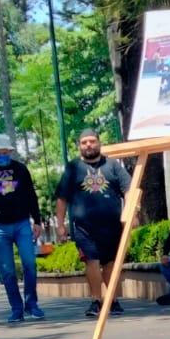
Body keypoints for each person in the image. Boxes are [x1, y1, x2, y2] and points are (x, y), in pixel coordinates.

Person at [55, 128, 132, 318]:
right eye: (84, 142)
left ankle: (112, 301)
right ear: (79, 146)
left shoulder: (113, 165)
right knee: (92, 261)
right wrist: (60, 224)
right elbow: (62, 198)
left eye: (92, 141)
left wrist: (132, 213)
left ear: (99, 142)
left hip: (112, 226)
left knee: (110, 264)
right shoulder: (73, 167)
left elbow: (128, 190)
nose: (88, 145)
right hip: (84, 228)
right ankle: (96, 301)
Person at [0, 135, 43, 322]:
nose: (2, 156)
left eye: (5, 153)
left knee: (29, 263)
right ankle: (16, 308)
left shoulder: (20, 169)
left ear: (10, 152)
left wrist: (37, 220)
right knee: (7, 270)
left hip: (22, 223)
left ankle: (32, 304)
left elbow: (31, 195)